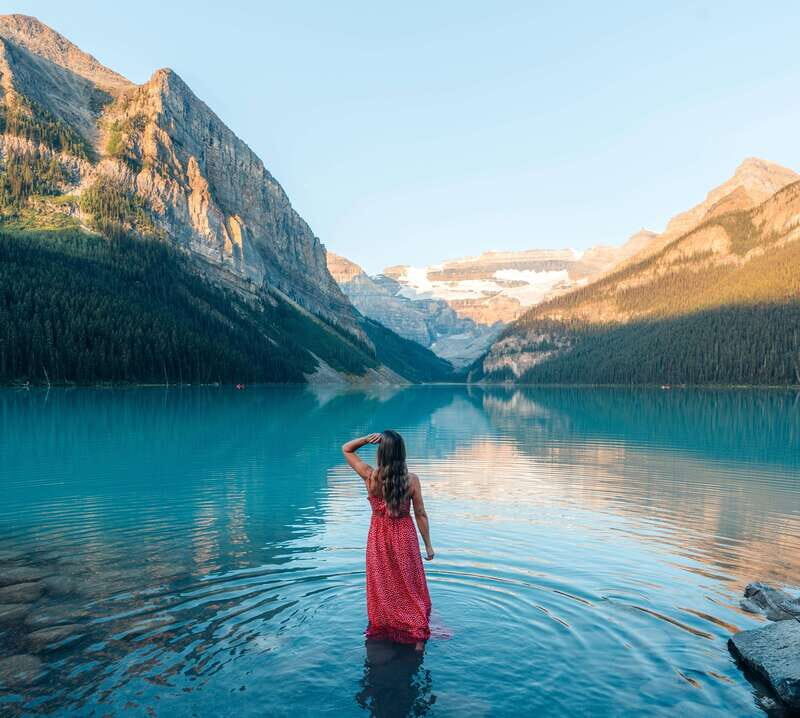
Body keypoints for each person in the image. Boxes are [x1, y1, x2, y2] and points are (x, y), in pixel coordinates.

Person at [342, 430, 434, 650]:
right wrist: (428, 545)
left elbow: (346, 448)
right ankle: (417, 630)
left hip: (378, 536)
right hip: (404, 535)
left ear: (381, 453)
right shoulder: (411, 481)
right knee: (409, 583)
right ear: (402, 453)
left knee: (384, 581)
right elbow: (420, 513)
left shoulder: (369, 475)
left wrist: (365, 440)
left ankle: (387, 621)